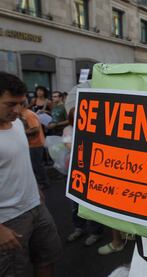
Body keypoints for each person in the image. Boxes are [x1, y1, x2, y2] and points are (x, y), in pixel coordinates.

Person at [0, 72, 62, 277]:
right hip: (8, 219)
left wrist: (35, 187)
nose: (18, 110)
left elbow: (21, 162)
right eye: (10, 104)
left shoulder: (17, 124)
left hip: (36, 206)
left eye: (21, 103)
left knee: (47, 258)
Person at [63, 108, 104, 246]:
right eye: (75, 117)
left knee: (91, 203)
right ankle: (79, 228)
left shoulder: (94, 128)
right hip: (75, 171)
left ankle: (95, 232)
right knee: (75, 204)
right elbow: (69, 147)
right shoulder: (68, 129)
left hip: (92, 171)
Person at [21, 102, 50, 190]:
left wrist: (21, 132)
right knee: (35, 164)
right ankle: (40, 182)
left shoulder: (28, 114)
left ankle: (44, 183)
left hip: (36, 144)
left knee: (37, 165)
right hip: (31, 144)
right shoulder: (24, 114)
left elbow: (35, 128)